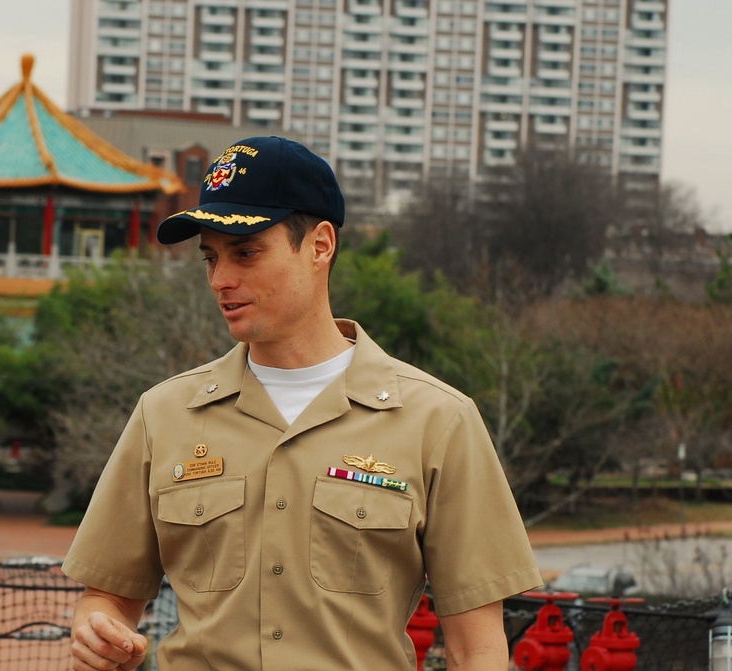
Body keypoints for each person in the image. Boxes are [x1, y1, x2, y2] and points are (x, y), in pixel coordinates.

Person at [62, 136, 542, 670]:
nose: (221, 280)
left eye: (245, 253)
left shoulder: (440, 421)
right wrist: (97, 630)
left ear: (319, 246)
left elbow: (478, 648)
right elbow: (107, 597)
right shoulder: (162, 414)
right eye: (210, 258)